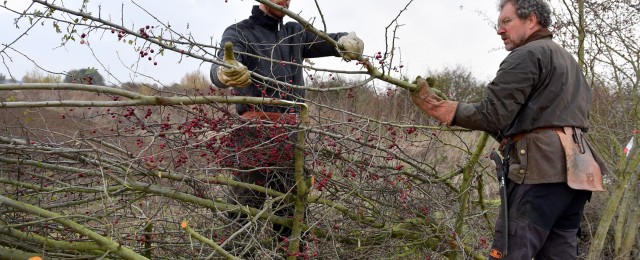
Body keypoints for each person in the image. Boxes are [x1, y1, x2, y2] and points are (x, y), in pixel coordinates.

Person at [408, 0, 608, 259]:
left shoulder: (527, 54)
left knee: (510, 252)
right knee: (559, 253)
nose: (500, 30)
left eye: (506, 22)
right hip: (578, 173)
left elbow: (492, 115)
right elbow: (531, 122)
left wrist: (440, 108)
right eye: (499, 23)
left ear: (532, 20)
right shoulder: (567, 60)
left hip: (540, 172)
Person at [209, 0, 364, 246]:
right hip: (254, 138)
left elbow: (329, 40)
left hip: (293, 140)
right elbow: (225, 62)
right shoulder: (239, 32)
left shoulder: (294, 33)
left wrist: (346, 40)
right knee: (243, 218)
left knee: (293, 223)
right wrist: (225, 71)